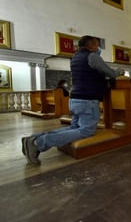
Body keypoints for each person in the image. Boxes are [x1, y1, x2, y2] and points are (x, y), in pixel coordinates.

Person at [21, 35, 124, 165]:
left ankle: (33, 139)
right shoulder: (92, 56)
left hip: (75, 99)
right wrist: (119, 71)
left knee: (75, 126)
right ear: (91, 45)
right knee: (86, 131)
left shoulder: (75, 57)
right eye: (97, 45)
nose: (98, 48)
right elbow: (111, 73)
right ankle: (38, 143)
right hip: (87, 100)